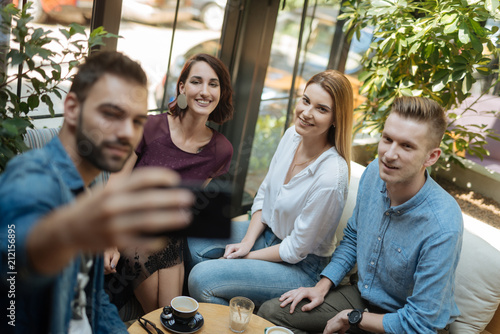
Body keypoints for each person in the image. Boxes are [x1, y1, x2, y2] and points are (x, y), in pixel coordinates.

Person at [0, 51, 195, 333]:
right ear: (71, 108)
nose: (127, 132)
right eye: (111, 114)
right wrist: (76, 227)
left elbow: (91, 301)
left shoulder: (87, 189)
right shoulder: (32, 177)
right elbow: (15, 260)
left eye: (137, 121)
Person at [257, 96, 464, 334]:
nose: (389, 154)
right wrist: (322, 286)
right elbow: (354, 236)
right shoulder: (375, 171)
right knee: (271, 315)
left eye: (406, 146)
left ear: (431, 157)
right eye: (387, 139)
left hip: (405, 321)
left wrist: (352, 318)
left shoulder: (442, 224)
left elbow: (421, 323)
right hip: (361, 299)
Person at [186, 70, 354, 307]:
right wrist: (247, 241)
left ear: (336, 119)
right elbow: (264, 195)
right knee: (191, 242)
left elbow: (295, 250)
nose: (306, 113)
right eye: (305, 100)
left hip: (301, 266)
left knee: (202, 279)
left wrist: (245, 258)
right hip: (267, 236)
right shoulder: (292, 136)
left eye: (321, 109)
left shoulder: (331, 178)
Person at [105, 53, 234, 314]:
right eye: (197, 81)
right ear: (182, 87)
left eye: (213, 84)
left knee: (171, 313)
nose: (205, 91)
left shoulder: (221, 149)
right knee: (159, 310)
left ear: (221, 92)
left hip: (169, 234)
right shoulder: (149, 128)